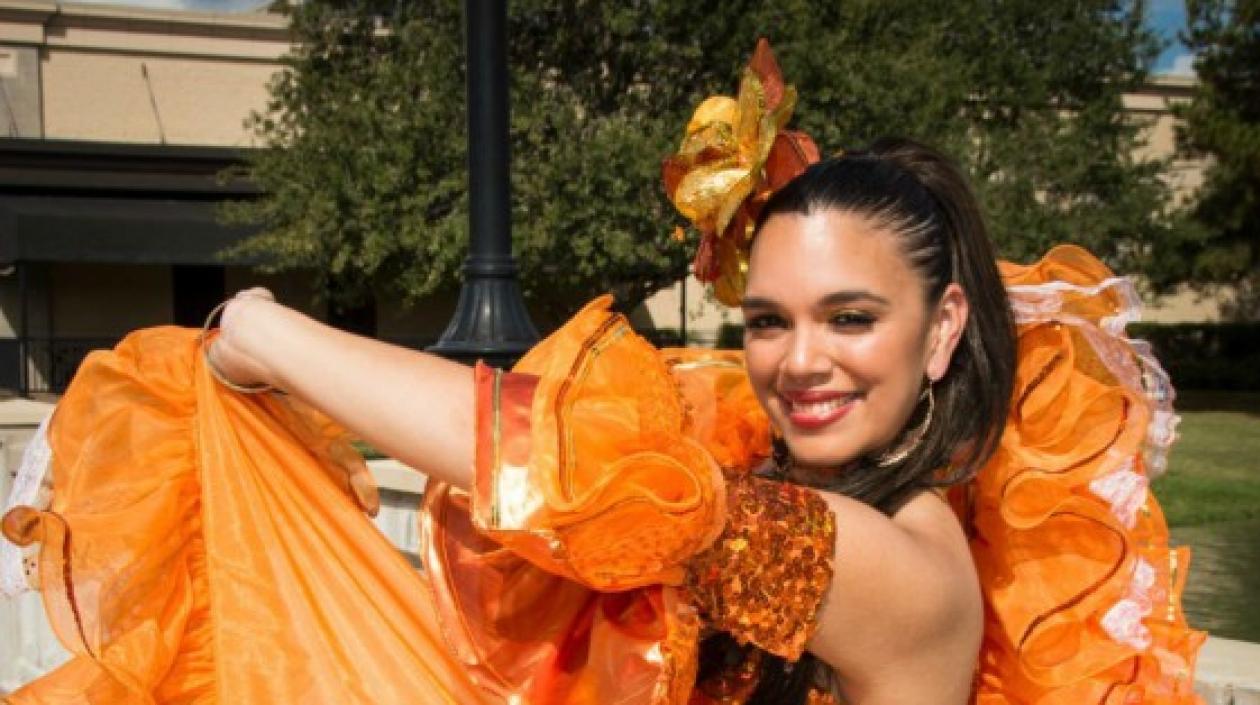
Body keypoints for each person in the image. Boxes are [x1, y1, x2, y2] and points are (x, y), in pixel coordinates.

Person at [1, 42, 1202, 705]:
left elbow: (571, 477)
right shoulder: (825, 503)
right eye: (771, 321)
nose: (800, 361)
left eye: (851, 317)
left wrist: (269, 334)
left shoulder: (908, 565)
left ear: (942, 334)